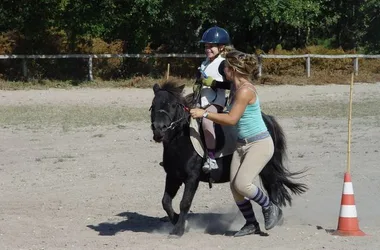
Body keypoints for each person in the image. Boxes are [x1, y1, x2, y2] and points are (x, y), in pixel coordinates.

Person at [190, 49, 283, 236]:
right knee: (235, 188)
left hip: (259, 144)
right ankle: (251, 224)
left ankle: (270, 207)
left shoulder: (245, 91)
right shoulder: (234, 86)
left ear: (233, 69)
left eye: (225, 68)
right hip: (242, 145)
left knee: (242, 184)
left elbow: (231, 119)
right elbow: (222, 85)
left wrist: (205, 113)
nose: (224, 70)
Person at [197, 26, 232, 173]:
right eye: (206, 46)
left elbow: (230, 84)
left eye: (211, 47)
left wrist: (214, 83)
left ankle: (211, 158)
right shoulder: (205, 62)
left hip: (216, 103)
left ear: (221, 47)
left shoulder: (223, 63)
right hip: (202, 100)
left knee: (206, 120)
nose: (208, 49)